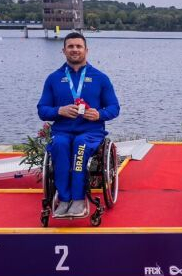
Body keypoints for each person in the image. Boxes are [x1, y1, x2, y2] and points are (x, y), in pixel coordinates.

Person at [37, 32, 120, 217]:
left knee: (80, 145)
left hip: (90, 132)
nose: (75, 50)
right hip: (62, 131)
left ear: (86, 50)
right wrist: (59, 111)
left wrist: (100, 114)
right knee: (59, 145)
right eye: (71, 46)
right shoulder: (54, 78)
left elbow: (114, 108)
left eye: (78, 46)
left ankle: (79, 199)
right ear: (64, 50)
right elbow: (42, 110)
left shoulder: (100, 78)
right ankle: (64, 199)